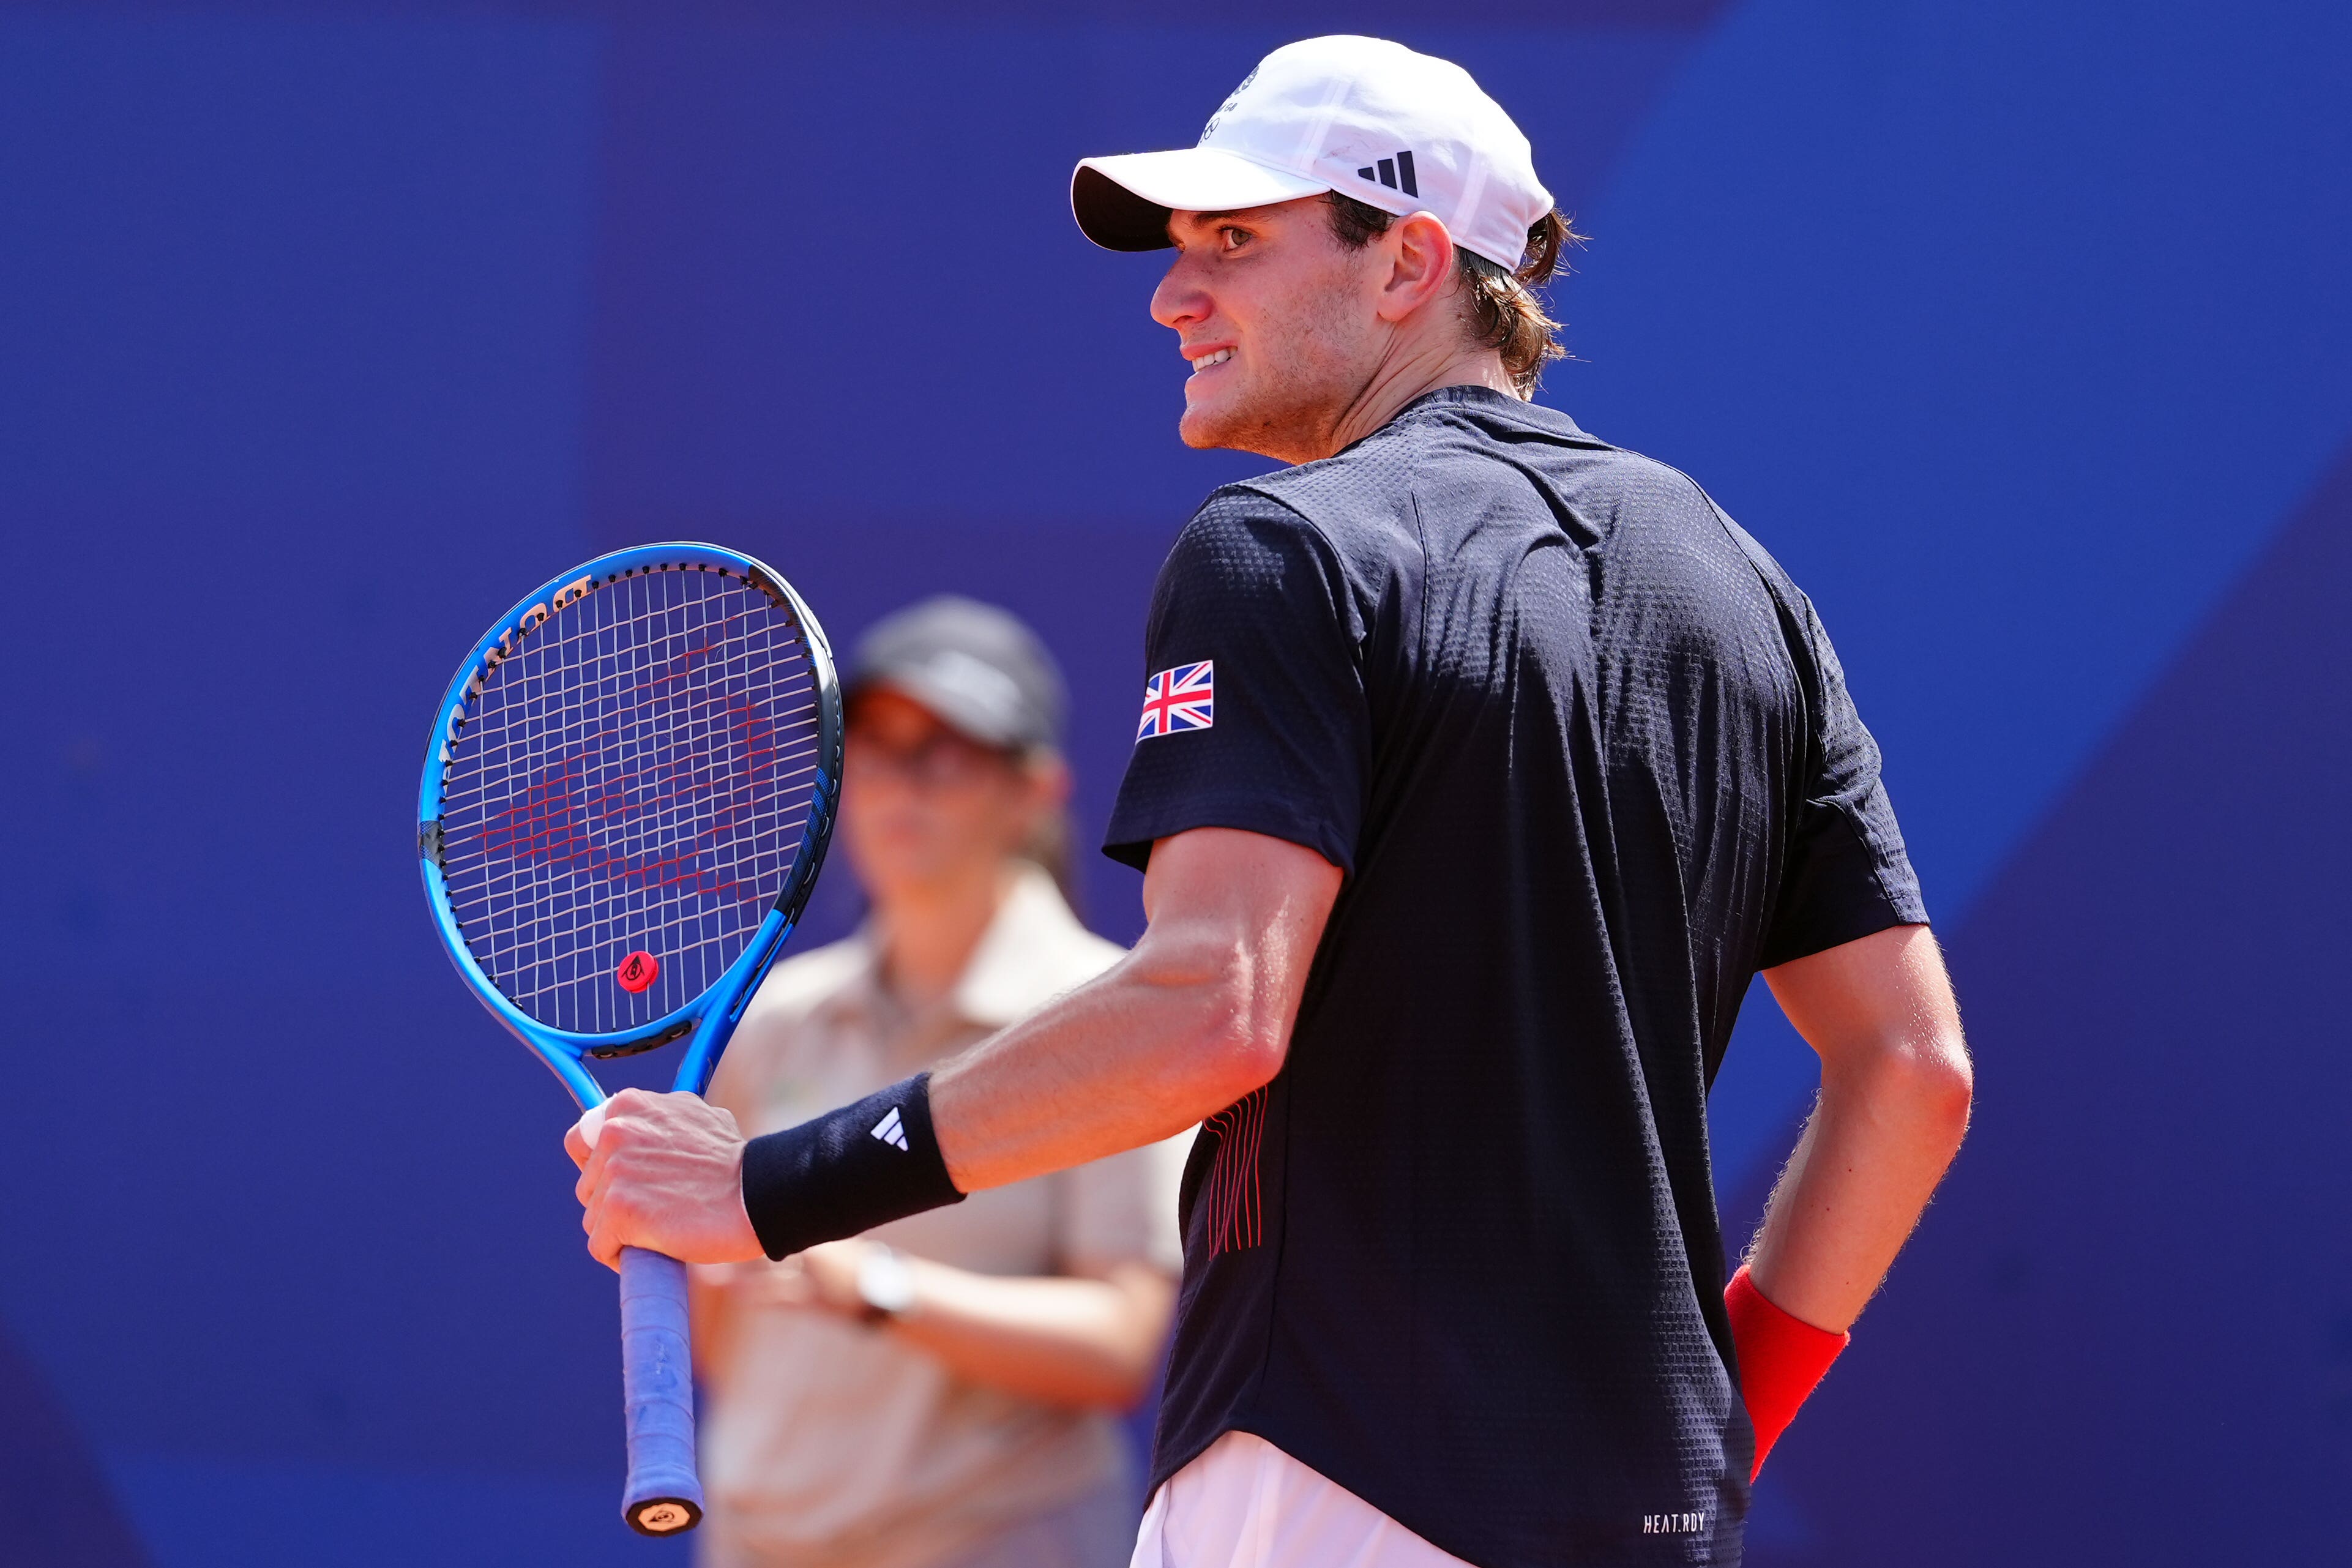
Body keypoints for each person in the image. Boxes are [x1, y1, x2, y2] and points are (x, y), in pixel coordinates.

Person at [570, 35, 1974, 1568]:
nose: (1176, 294)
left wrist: (767, 1190)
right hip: (1647, 1516)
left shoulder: (1281, 548)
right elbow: (1910, 1071)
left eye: (1234, 242)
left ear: (1407, 264)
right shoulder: (1745, 588)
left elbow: (1208, 1007)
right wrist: (1732, 1411)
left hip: (1330, 1487)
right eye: (1179, 250)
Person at [684, 596, 1182, 1568]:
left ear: (1033, 789)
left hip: (992, 1539)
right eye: (873, 751)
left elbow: (1121, 1342)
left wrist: (874, 1282)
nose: (898, 788)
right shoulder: (776, 1016)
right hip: (757, 1535)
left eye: (942, 752)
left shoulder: (1111, 1018)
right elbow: (721, 1323)